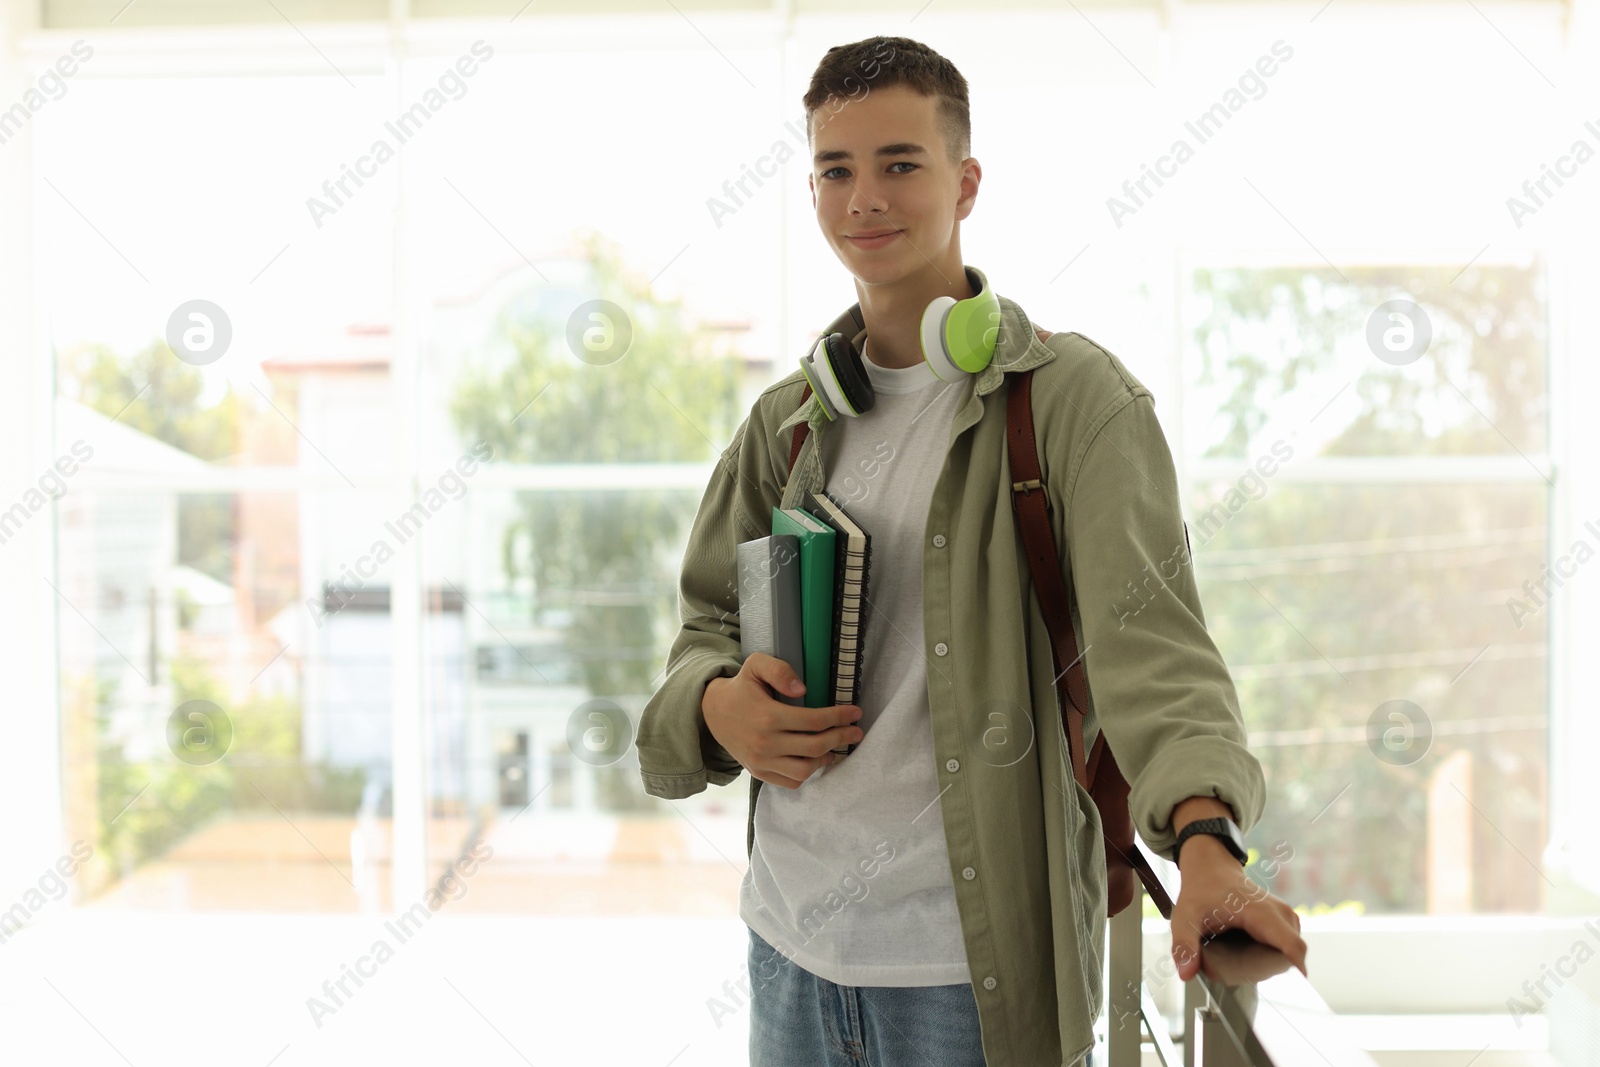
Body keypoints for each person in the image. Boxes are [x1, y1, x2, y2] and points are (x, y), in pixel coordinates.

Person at [636, 34, 1307, 1067]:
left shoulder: (1074, 403)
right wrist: (716, 705)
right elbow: (704, 631)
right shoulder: (788, 423)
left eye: (899, 163)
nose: (865, 198)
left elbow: (1157, 659)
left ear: (966, 181)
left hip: (969, 976)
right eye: (835, 169)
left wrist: (1210, 845)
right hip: (788, 947)